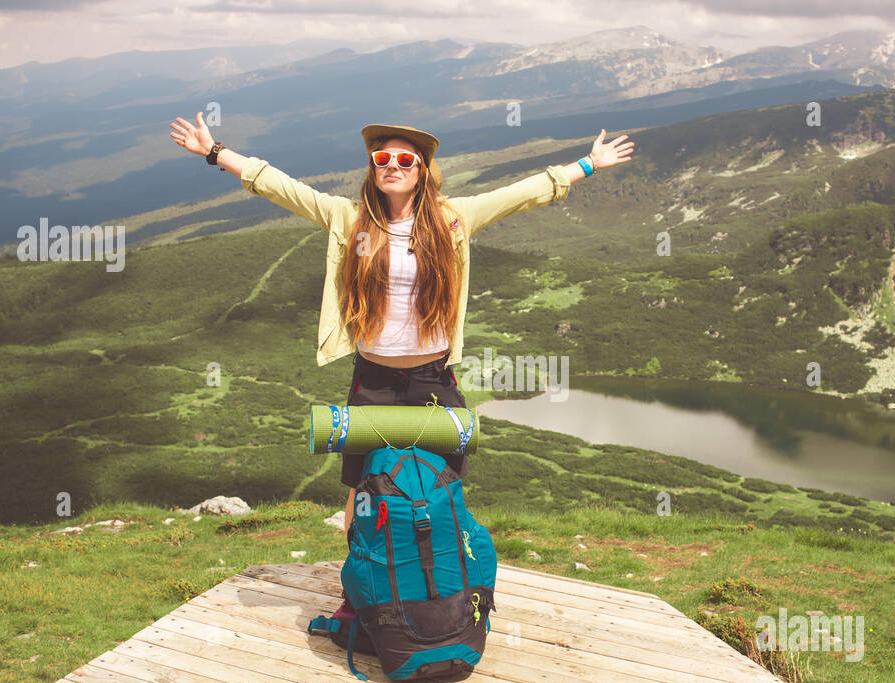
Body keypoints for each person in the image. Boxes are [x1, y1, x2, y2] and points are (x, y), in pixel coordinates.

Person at [168, 116, 634, 550]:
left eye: (405, 160)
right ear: (373, 170)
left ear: (422, 171)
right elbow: (280, 187)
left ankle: (441, 578)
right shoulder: (347, 218)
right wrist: (215, 152)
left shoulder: (453, 218)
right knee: (361, 484)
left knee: (446, 478)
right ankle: (362, 576)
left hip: (432, 377)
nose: (392, 166)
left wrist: (589, 163)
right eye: (382, 159)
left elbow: (523, 192)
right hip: (373, 378)